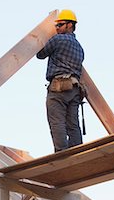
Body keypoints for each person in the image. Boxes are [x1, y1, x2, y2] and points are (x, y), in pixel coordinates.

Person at [36, 9, 85, 152]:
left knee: (57, 122)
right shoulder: (80, 47)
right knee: (73, 124)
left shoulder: (58, 39)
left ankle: (61, 154)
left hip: (59, 88)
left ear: (70, 25)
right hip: (74, 90)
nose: (57, 28)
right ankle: (78, 152)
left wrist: (46, 36)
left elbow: (40, 54)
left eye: (60, 25)